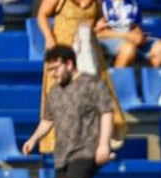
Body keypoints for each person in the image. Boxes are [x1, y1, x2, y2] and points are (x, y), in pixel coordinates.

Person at [22, 45, 114, 178]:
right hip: (62, 155)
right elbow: (48, 120)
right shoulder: (54, 92)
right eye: (50, 70)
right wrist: (33, 139)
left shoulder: (92, 83)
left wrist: (103, 145)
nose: (53, 74)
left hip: (86, 150)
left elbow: (107, 113)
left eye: (56, 69)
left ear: (69, 64)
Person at [36, 0, 126, 153]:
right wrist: (49, 37)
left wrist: (100, 25)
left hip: (88, 51)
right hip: (63, 48)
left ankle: (93, 141)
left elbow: (99, 19)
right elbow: (42, 15)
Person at [97, 0, 161, 67]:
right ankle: (115, 79)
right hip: (108, 40)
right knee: (128, 49)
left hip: (129, 38)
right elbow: (97, 33)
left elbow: (135, 26)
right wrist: (126, 35)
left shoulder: (132, 3)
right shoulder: (100, 3)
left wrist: (139, 35)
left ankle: (145, 79)